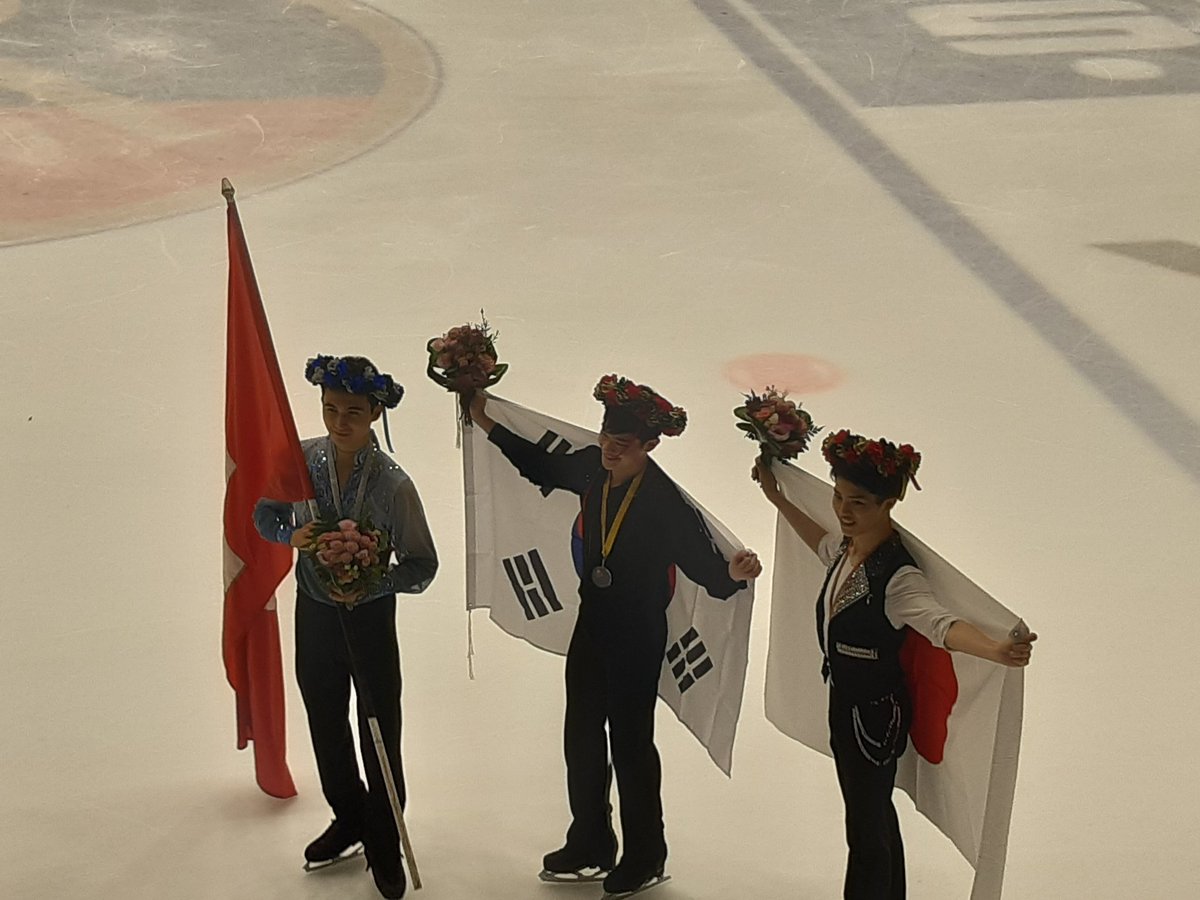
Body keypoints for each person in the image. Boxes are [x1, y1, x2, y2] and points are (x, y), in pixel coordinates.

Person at [466, 375, 762, 897]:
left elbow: (703, 566)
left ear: (649, 447)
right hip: (594, 621)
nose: (609, 451)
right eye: (606, 439)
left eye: (622, 446)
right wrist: (485, 418)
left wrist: (734, 573)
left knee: (630, 743)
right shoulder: (590, 469)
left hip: (638, 632)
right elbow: (540, 463)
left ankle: (646, 853)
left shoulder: (664, 502)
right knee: (579, 733)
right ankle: (591, 841)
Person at [751, 429, 1036, 900]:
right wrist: (777, 499)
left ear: (887, 504)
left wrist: (995, 650)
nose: (842, 510)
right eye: (839, 497)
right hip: (848, 704)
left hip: (874, 716)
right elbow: (819, 543)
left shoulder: (898, 576)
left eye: (857, 502)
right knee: (873, 815)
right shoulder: (848, 548)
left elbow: (941, 624)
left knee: (864, 827)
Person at [254, 355, 438, 900]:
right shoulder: (303, 459)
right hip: (314, 614)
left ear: (376, 412)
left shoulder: (393, 485)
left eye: (353, 412)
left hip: (370, 622)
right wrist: (292, 535)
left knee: (379, 726)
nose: (339, 422)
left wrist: (375, 583)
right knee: (325, 720)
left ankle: (384, 836)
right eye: (331, 409)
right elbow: (265, 513)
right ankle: (349, 814)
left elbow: (423, 566)